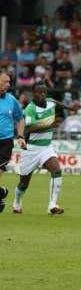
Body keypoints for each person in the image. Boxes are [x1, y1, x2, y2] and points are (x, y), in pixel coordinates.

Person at [12, 84, 75, 215]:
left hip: (46, 147)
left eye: (45, 92)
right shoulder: (30, 109)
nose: (43, 95)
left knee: (56, 170)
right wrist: (49, 125)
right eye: (39, 92)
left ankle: (52, 205)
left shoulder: (50, 101)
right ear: (33, 94)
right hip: (31, 150)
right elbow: (29, 128)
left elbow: (57, 102)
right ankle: (17, 200)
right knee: (24, 183)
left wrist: (71, 108)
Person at [0, 72, 26, 213]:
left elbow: (20, 118)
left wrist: (20, 135)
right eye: (5, 82)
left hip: (5, 143)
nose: (8, 85)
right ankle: (1, 192)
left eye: (9, 82)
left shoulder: (11, 100)